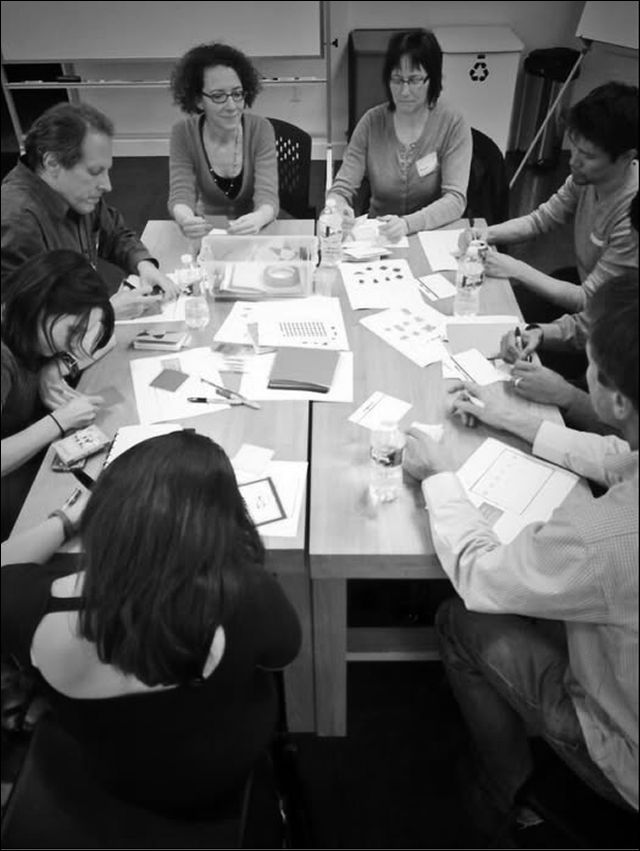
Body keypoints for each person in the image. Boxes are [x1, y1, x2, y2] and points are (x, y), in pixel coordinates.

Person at [403, 272, 638, 832]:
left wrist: (440, 477)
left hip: (623, 752)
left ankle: (509, 797)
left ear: (618, 399)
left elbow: (482, 576)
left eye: (590, 359)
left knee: (460, 621)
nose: (582, 365)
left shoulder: (601, 538)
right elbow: (617, 458)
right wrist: (507, 416)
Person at [0, 431, 301, 813]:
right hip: (221, 770)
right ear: (215, 524)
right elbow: (282, 654)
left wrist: (64, 520)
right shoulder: (244, 593)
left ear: (103, 514)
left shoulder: (27, 604)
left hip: (114, 775)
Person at [461, 81, 638, 324]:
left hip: (613, 322)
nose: (574, 161)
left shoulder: (632, 217)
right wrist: (486, 233)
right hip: (583, 283)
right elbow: (541, 219)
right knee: (499, 310)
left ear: (627, 157)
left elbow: (589, 301)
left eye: (587, 155)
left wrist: (515, 269)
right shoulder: (585, 177)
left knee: (508, 326)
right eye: (574, 148)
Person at [1, 102, 178, 320]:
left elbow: (113, 233)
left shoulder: (75, 192)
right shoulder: (16, 220)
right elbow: (18, 322)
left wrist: (143, 264)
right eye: (95, 171)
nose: (107, 185)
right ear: (52, 162)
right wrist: (104, 313)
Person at [499, 191, 639, 433]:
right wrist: (538, 332)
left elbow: (620, 454)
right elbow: (594, 324)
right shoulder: (627, 292)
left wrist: (568, 396)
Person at [1, 250, 112, 541]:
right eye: (73, 330)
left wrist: (56, 365)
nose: (75, 344)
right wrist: (59, 421)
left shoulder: (28, 328)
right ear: (40, 305)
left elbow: (105, 340)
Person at [326, 29, 472, 242]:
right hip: (380, 236)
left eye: (414, 80)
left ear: (432, 79)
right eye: (396, 79)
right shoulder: (371, 122)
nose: (404, 91)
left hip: (432, 235)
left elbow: (455, 200)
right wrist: (338, 207)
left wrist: (407, 224)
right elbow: (342, 187)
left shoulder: (452, 123)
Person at [169, 42, 279, 239]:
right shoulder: (183, 133)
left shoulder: (261, 129)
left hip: (256, 225)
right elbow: (180, 194)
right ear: (198, 100)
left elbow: (268, 197)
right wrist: (186, 219)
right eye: (218, 96)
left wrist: (259, 218)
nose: (232, 106)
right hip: (210, 226)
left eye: (237, 94)